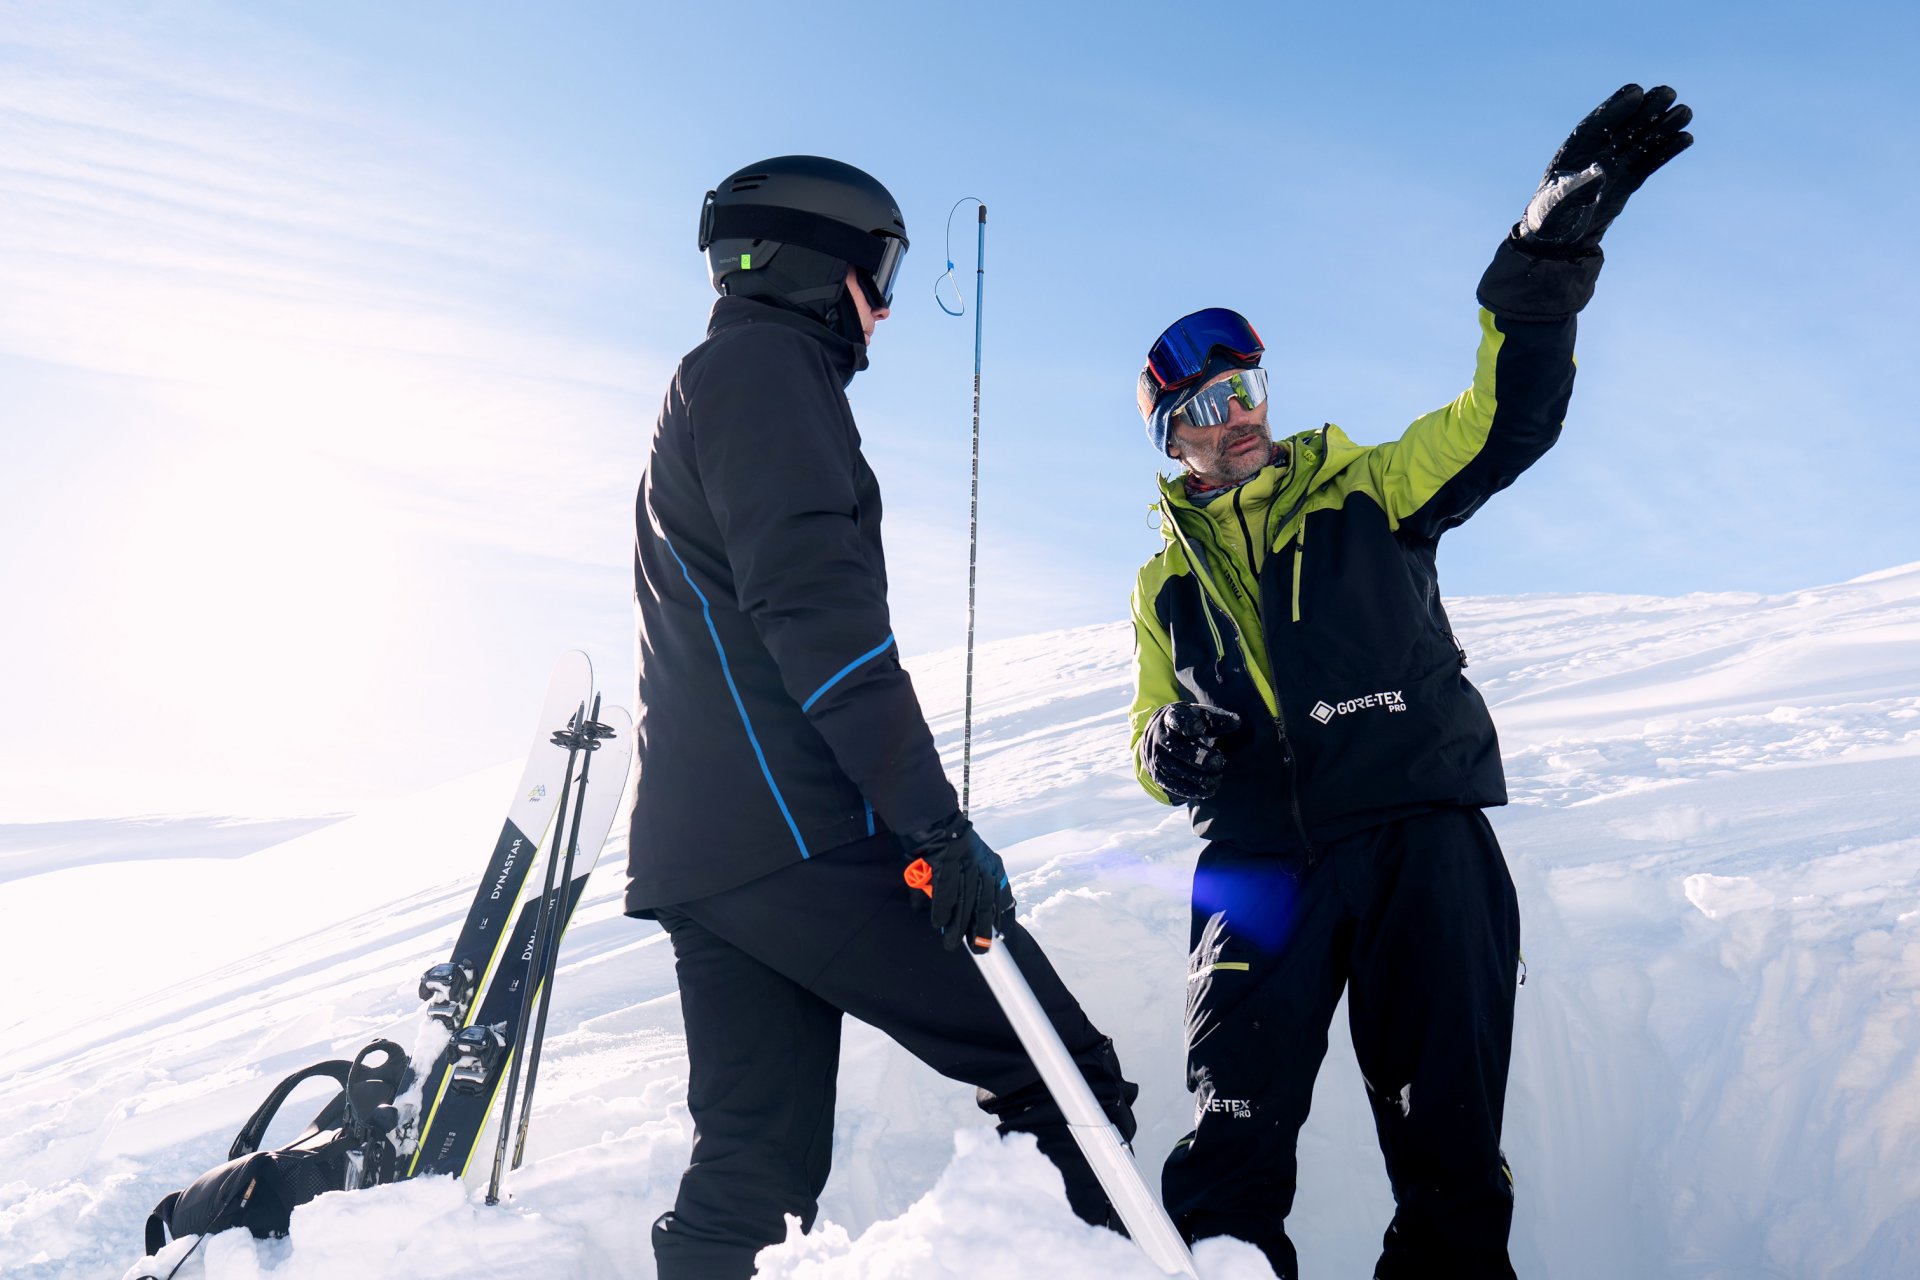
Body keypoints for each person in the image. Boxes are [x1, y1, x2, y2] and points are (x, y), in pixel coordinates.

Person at [1125, 86, 1693, 1278]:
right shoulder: (1160, 588)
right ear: (1171, 441)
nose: (1230, 426)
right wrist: (1165, 745)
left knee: (1448, 1152)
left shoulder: (1370, 490)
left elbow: (1504, 421)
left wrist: (1544, 263)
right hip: (1258, 868)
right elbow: (1144, 731)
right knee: (1227, 1140)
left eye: (1242, 396)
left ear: (1264, 395)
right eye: (1198, 413)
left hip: (1418, 839)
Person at [628, 155, 1139, 1280]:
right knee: (1065, 1075)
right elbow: (819, 614)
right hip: (799, 833)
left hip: (705, 852)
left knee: (754, 1170)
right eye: (882, 270)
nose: (890, 304)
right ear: (820, 261)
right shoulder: (765, 370)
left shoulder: (713, 375)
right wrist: (933, 826)